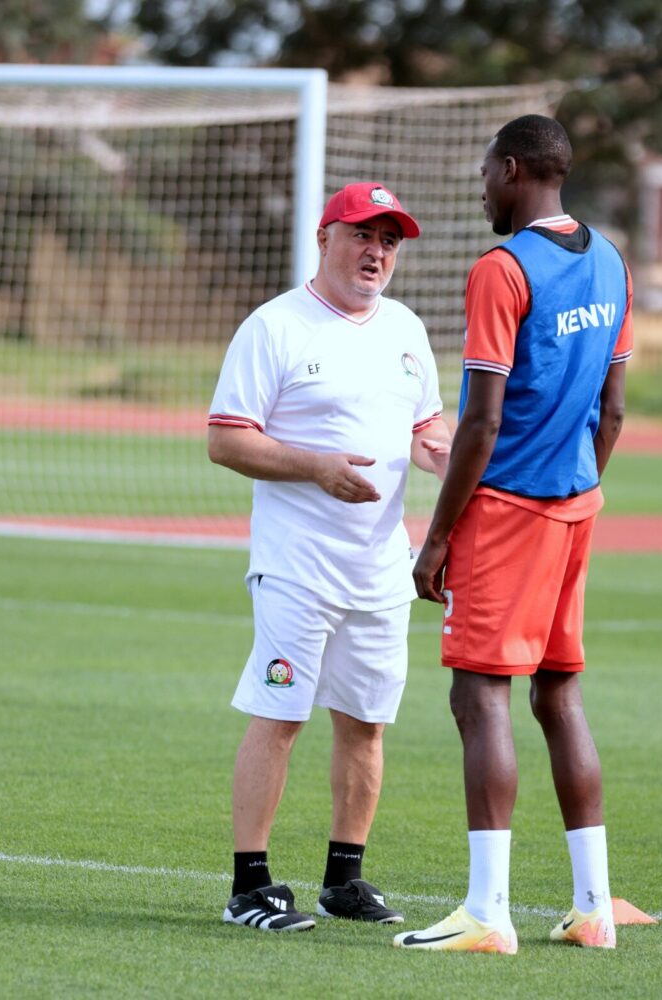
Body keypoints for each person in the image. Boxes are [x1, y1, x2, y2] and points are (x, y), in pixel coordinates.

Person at [393, 116, 632, 954]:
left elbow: (480, 421)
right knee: (559, 694)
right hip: (576, 505)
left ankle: (488, 914)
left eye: (486, 173)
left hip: (508, 509)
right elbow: (615, 409)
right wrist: (582, 483)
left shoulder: (501, 269)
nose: (480, 187)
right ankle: (593, 907)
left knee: (479, 694)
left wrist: (436, 540)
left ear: (514, 167)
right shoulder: (611, 259)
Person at [208, 181, 450, 933]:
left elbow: (424, 427)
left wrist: (446, 457)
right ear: (325, 238)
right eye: (361, 235)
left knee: (366, 723)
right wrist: (315, 465)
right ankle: (250, 885)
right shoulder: (274, 327)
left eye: (389, 240)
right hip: (296, 568)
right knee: (280, 716)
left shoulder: (406, 328)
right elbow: (226, 438)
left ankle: (344, 880)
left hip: (380, 568)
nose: (375, 251)